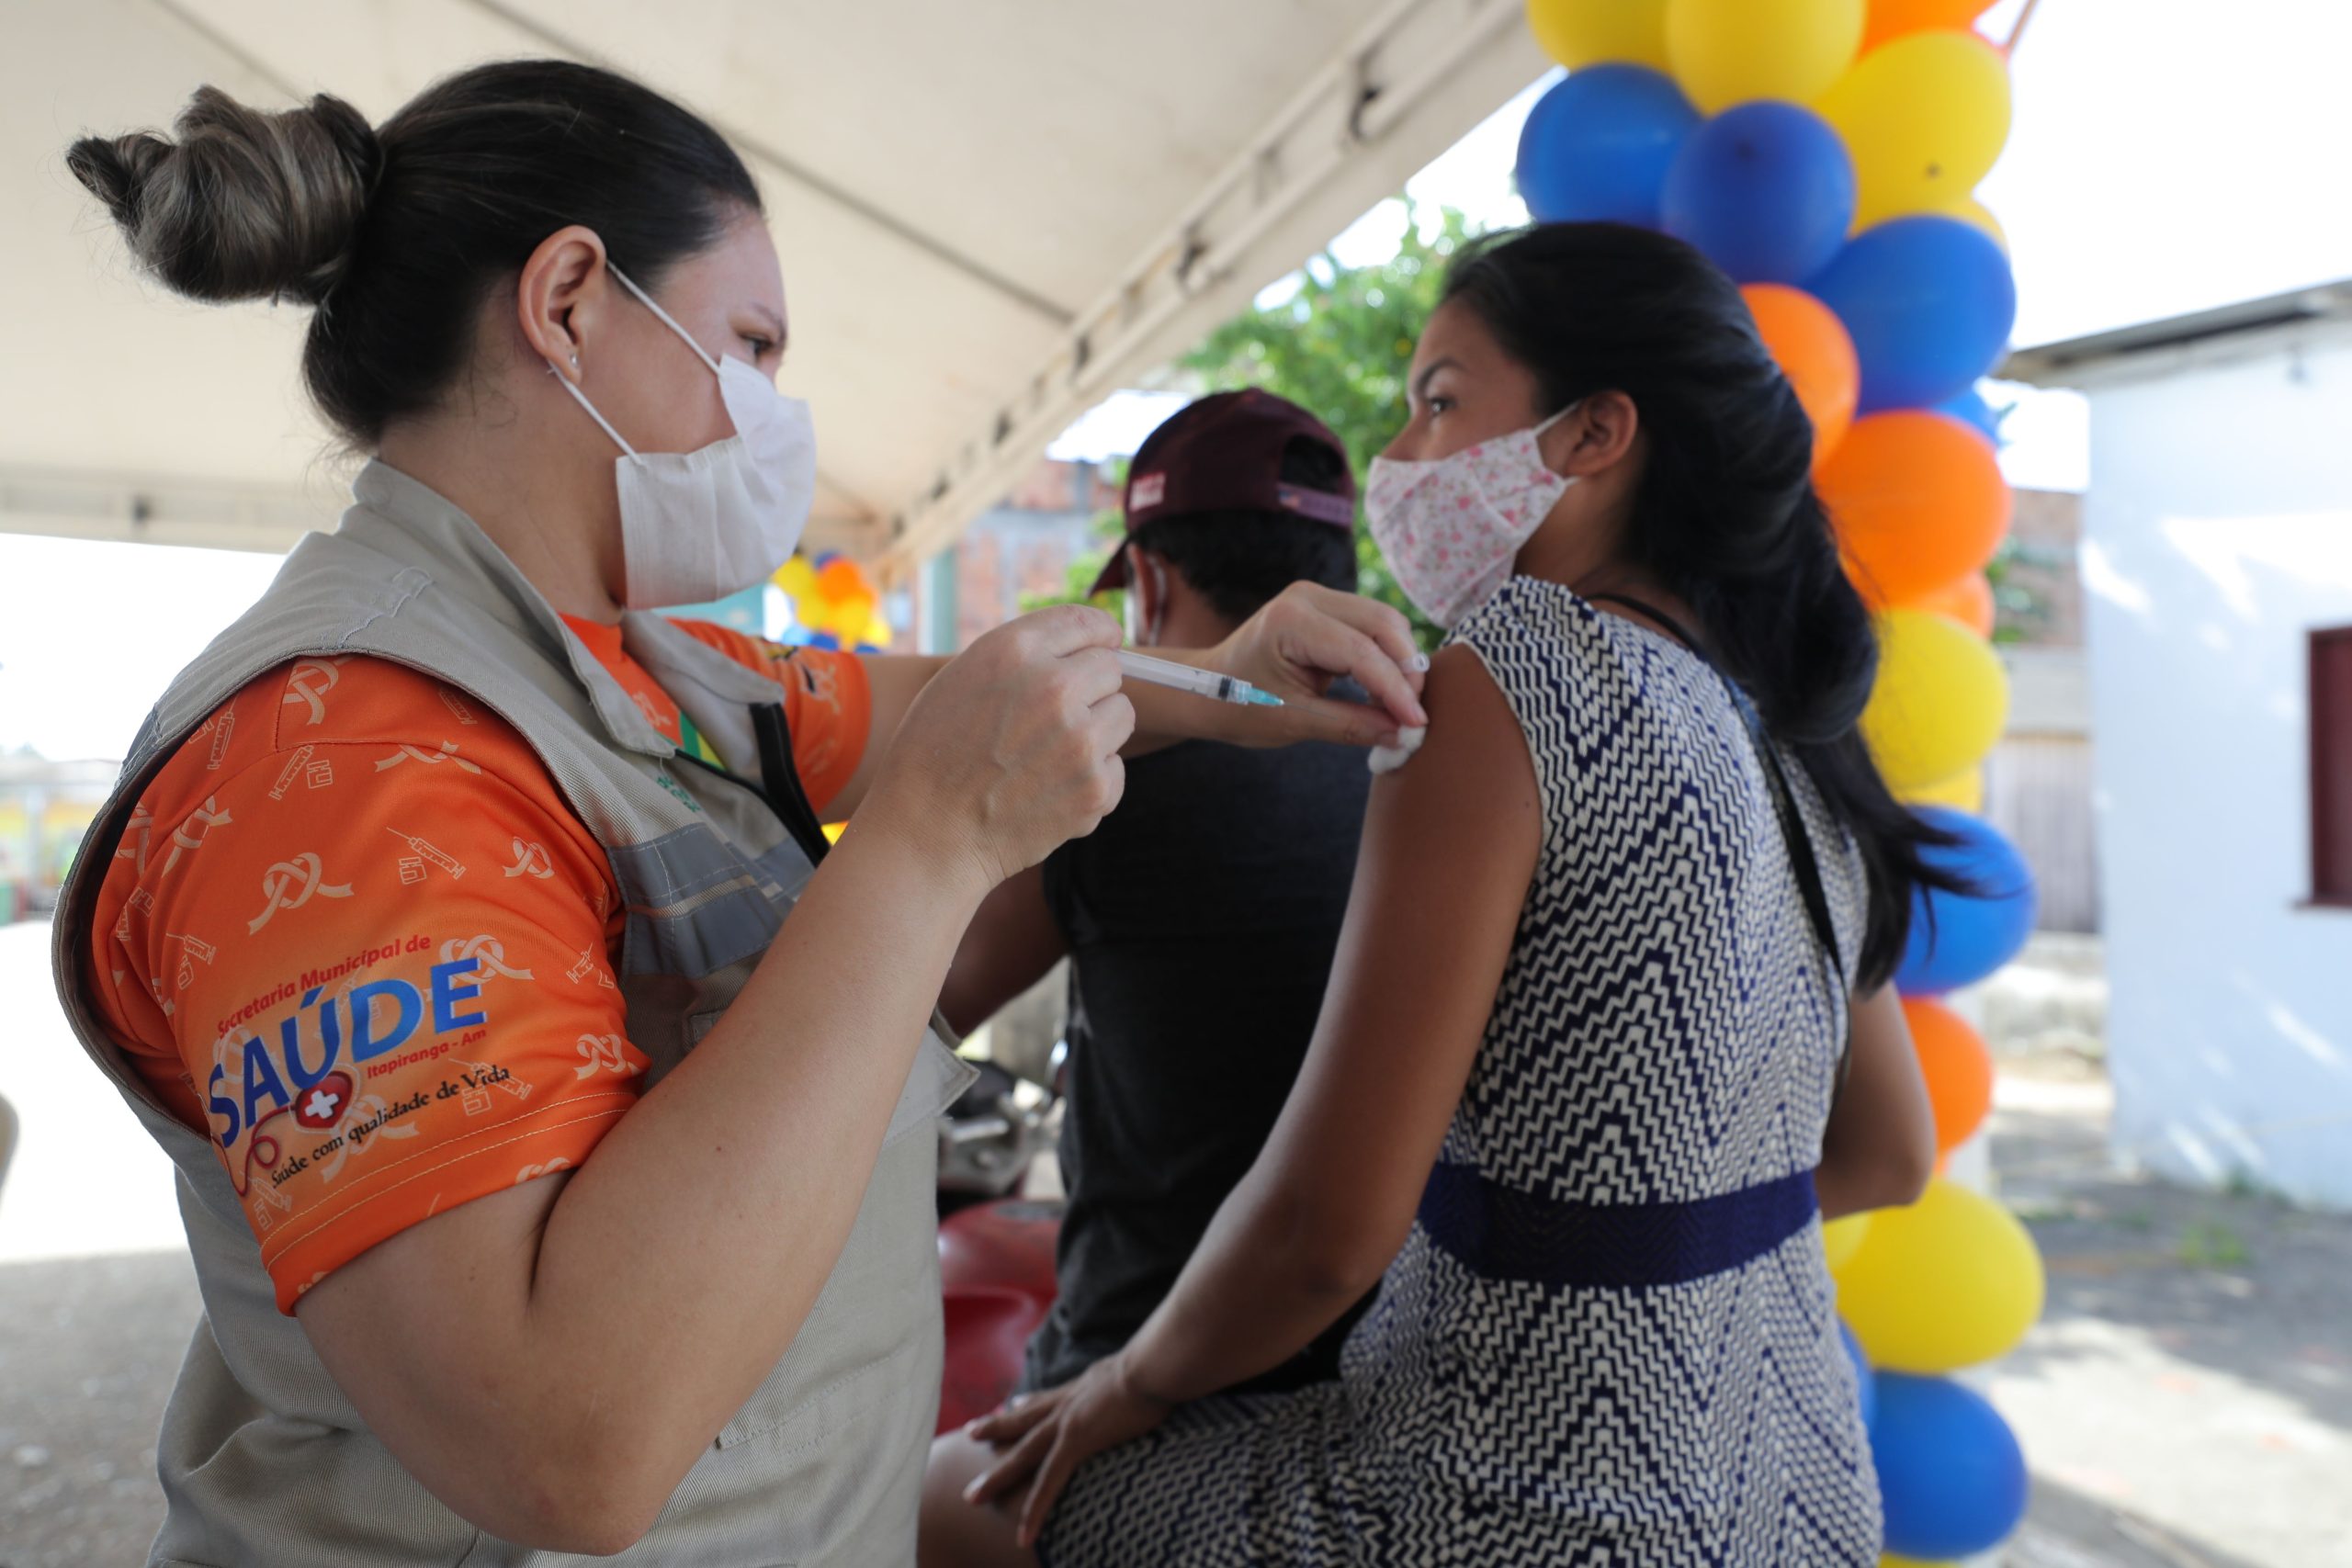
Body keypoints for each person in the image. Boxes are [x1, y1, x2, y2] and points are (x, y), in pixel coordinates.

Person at [52, 64, 1424, 1566]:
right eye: (752, 346)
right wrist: (925, 852)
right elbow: (567, 1441)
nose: (775, 415)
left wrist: (1224, 675)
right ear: (570, 298)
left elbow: (937, 695)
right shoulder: (341, 765)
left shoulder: (627, 663)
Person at [926, 222, 1950, 1567]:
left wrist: (1126, 1387)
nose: (1402, 455)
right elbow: (1888, 1151)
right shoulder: (1791, 732)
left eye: (1440, 399)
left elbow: (1321, 1235)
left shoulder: (1515, 669)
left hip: (1513, 1499)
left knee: (943, 1490)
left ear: (1596, 435)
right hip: (1802, 1487)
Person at [939, 390, 1378, 1402]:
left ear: (1147, 576)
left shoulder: (1106, 780)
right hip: (1386, 1394)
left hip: (1131, 1391)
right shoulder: (1433, 766)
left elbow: (918, 1003)